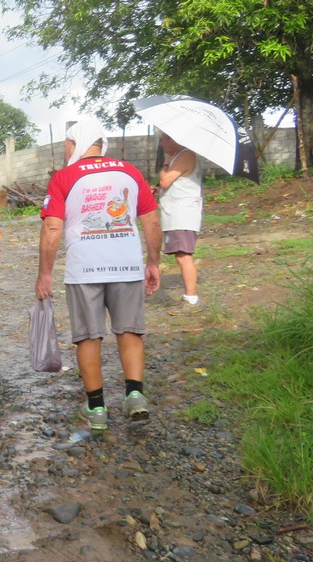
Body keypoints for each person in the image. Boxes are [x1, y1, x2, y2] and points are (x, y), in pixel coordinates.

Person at [34, 119, 162, 431]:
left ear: (75, 143)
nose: (65, 150)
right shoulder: (130, 171)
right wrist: (153, 262)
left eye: (66, 145)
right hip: (127, 266)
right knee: (130, 331)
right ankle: (135, 396)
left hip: (84, 270)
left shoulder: (64, 177)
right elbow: (152, 221)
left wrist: (44, 273)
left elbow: (52, 227)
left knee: (88, 336)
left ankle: (97, 409)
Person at [156, 132, 202, 308]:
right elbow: (172, 184)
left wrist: (166, 162)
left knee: (183, 255)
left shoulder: (185, 155)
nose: (161, 144)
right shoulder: (179, 156)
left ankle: (191, 297)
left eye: (162, 140)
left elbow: (165, 180)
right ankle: (190, 295)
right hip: (177, 213)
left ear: (172, 139)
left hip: (182, 214)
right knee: (180, 254)